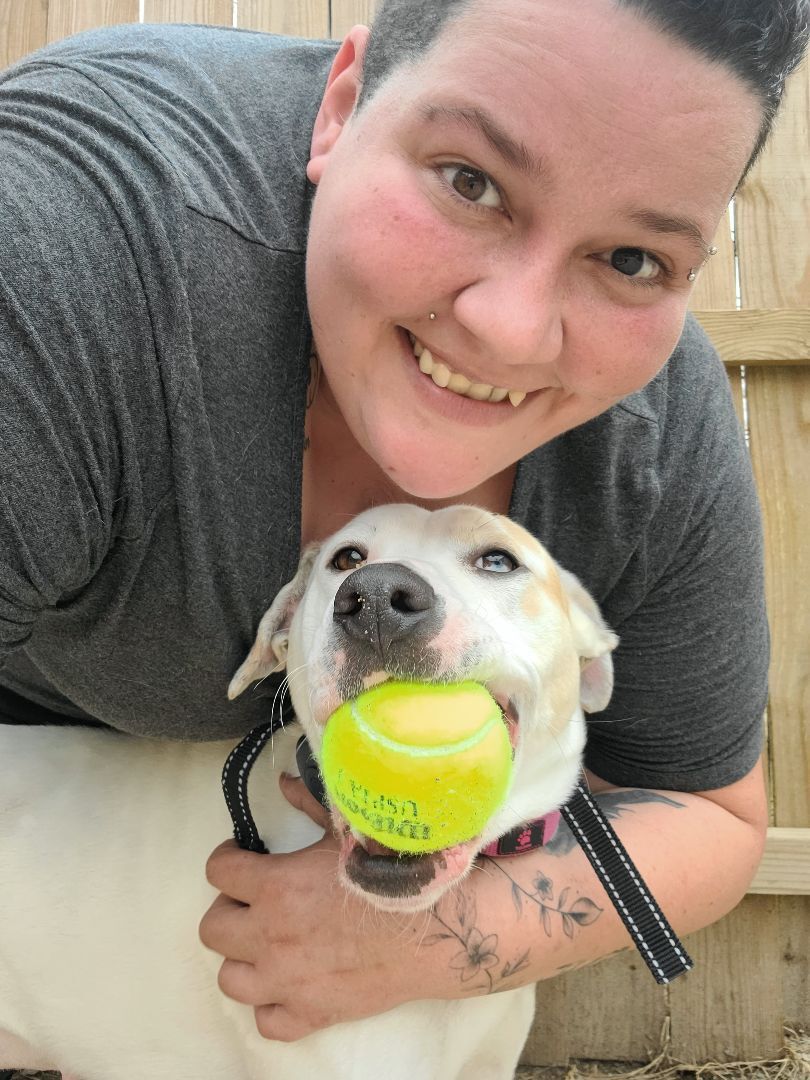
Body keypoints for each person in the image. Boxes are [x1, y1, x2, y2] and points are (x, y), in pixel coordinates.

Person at [0, 0, 807, 1046]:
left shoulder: (655, 439)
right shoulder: (68, 270)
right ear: (342, 105)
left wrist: (420, 939)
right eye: (470, 182)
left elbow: (714, 818)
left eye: (633, 260)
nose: (510, 331)